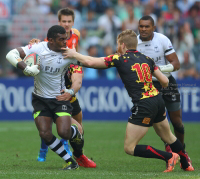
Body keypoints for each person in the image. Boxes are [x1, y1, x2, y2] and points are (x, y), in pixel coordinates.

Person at [62, 29, 194, 172]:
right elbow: (164, 81)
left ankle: (169, 156)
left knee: (129, 148)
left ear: (123, 45)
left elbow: (91, 62)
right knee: (169, 136)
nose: (117, 47)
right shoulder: (147, 58)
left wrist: (74, 54)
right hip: (157, 99)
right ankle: (186, 164)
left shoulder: (119, 58)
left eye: (118, 44)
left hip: (144, 104)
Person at [6, 25, 85, 170]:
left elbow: (90, 62)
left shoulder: (69, 53)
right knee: (44, 133)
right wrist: (26, 68)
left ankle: (76, 133)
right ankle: (70, 162)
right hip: (40, 99)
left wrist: (111, 61)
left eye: (66, 39)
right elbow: (11, 54)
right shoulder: (37, 48)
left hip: (59, 98)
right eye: (61, 39)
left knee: (64, 133)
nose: (65, 42)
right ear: (51, 40)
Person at [29, 8, 96, 168]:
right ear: (59, 22)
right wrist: (33, 43)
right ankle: (45, 150)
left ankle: (78, 154)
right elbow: (39, 48)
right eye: (63, 21)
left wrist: (72, 89)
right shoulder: (50, 40)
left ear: (73, 23)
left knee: (77, 125)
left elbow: (79, 71)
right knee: (46, 125)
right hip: (54, 84)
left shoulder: (76, 34)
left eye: (69, 22)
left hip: (70, 71)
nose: (66, 24)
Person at [136, 15, 192, 162]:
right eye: (141, 26)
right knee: (159, 121)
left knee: (177, 121)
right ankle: (169, 147)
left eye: (147, 26)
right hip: (149, 86)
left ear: (153, 28)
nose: (143, 29)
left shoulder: (162, 39)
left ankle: (181, 150)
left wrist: (156, 69)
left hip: (167, 82)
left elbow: (176, 64)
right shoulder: (134, 43)